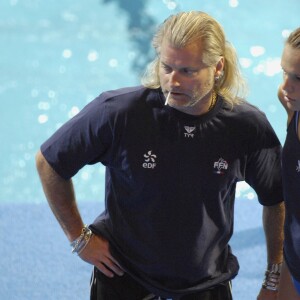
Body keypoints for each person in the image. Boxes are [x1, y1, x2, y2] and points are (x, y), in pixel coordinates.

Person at [36, 11, 285, 300]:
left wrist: (273, 277)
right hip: (123, 276)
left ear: (217, 68)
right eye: (166, 67)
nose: (172, 81)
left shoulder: (245, 127)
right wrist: (79, 238)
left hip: (205, 283)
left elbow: (276, 199)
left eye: (187, 71)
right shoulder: (119, 113)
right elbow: (49, 163)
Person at [277, 27, 300, 300]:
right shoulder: (292, 104)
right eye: (284, 72)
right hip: (293, 262)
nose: (286, 86)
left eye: (298, 78)